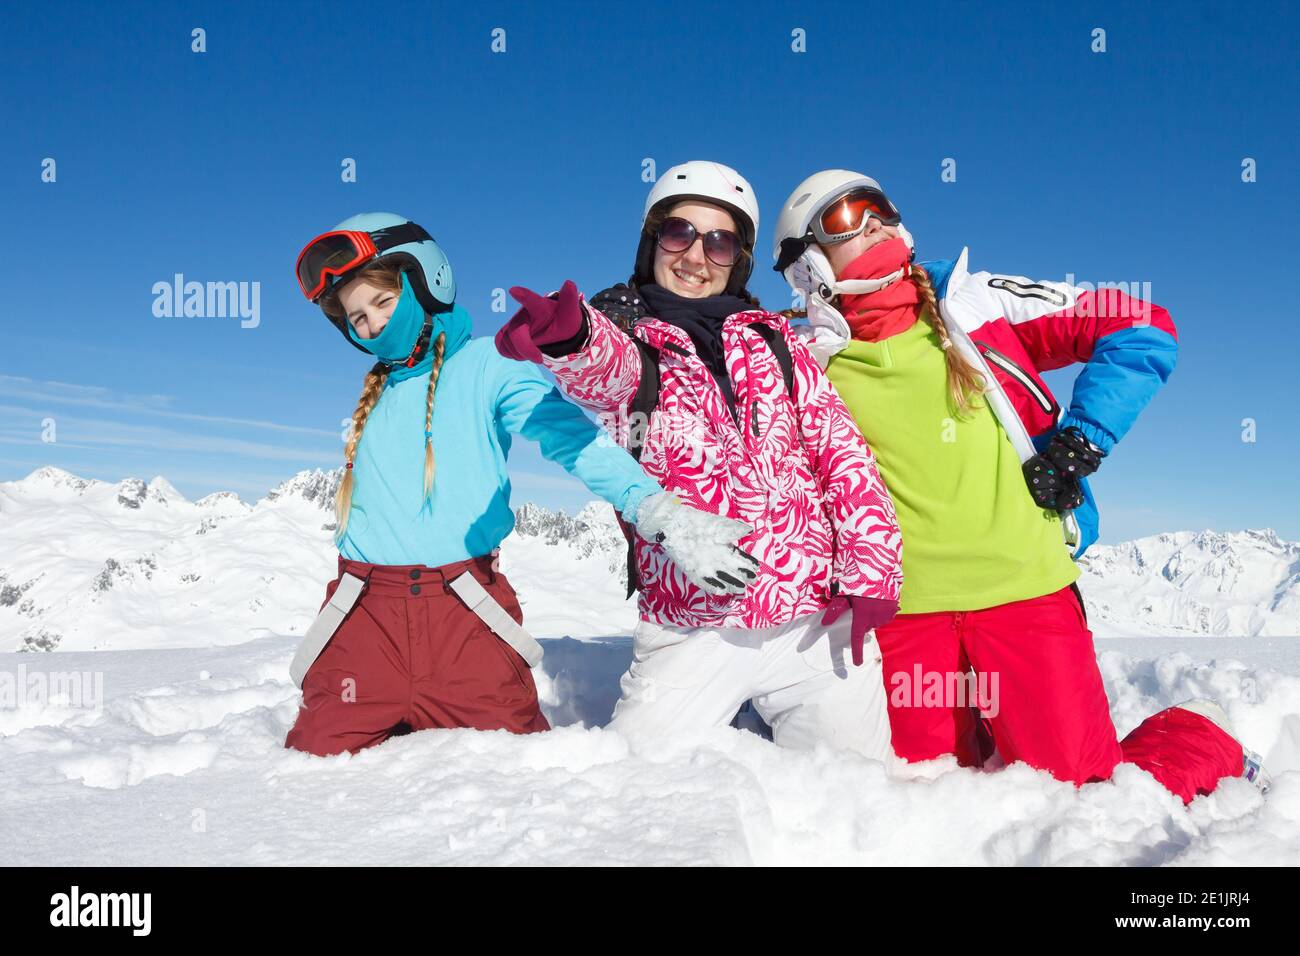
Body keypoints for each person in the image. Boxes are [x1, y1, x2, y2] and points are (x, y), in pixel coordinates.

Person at [771, 170, 1269, 801]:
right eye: (842, 218)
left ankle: (1200, 733)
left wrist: (1081, 441)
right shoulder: (787, 358)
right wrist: (630, 315)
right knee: (925, 799)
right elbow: (694, 400)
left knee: (1086, 798)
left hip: (1027, 593)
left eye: (877, 207)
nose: (870, 222)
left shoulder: (975, 306)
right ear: (807, 260)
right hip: (899, 617)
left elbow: (1142, 324)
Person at [284, 212, 757, 756]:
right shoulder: (379, 392)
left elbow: (574, 441)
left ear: (425, 281)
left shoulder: (490, 365)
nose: (371, 326)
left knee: (513, 777)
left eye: (383, 303)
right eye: (357, 318)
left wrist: (656, 509)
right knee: (312, 778)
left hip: (462, 617)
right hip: (361, 619)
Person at [494, 162, 903, 757]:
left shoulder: (779, 344)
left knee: (854, 788)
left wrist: (872, 572)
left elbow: (842, 457)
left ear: (737, 257)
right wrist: (569, 337)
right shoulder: (633, 337)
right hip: (694, 624)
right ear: (652, 241)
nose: (696, 255)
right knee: (644, 788)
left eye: (720, 241)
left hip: (812, 620)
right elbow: (605, 370)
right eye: (679, 233)